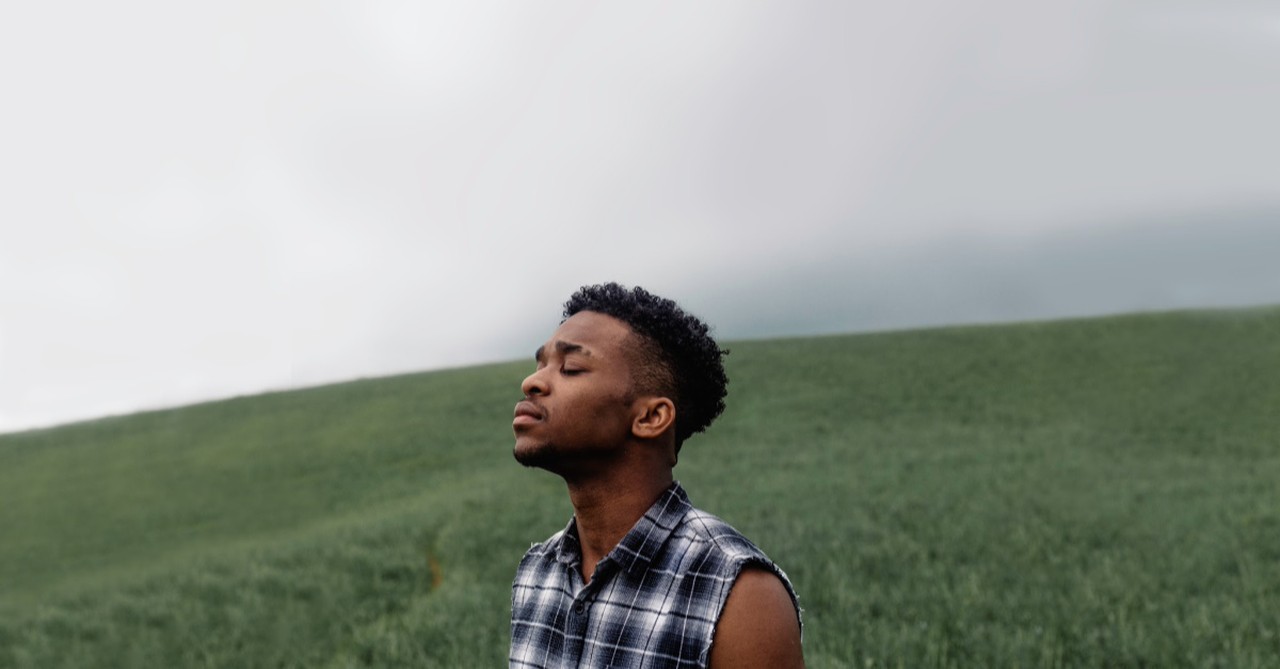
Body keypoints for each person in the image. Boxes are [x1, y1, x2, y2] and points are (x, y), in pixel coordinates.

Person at [509, 282, 804, 668]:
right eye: (540, 364)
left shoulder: (738, 594)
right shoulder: (536, 572)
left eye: (571, 368)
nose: (532, 382)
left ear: (650, 417)